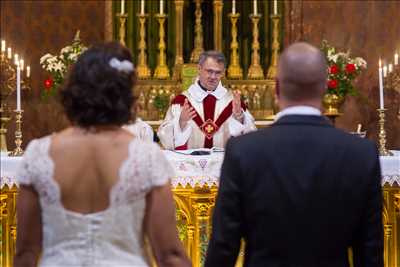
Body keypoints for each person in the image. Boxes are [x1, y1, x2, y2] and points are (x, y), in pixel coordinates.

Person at [205, 43, 383, 267]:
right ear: (324, 88)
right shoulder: (361, 154)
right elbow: (370, 253)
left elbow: (223, 247)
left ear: (277, 89)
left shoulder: (243, 152)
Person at [14, 42, 190, 267]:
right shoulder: (146, 156)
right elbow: (170, 255)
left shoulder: (39, 154)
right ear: (125, 96)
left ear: (75, 92)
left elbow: (25, 253)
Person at [157, 50, 256, 150]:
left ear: (223, 72)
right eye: (209, 71)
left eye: (218, 73)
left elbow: (250, 137)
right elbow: (164, 137)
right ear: (199, 69)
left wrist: (239, 117)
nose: (213, 77)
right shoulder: (182, 101)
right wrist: (181, 122)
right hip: (191, 163)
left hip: (224, 163)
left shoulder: (233, 102)